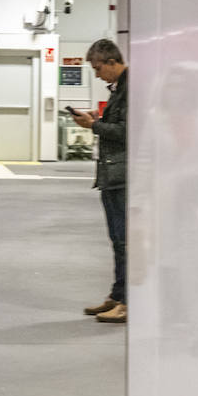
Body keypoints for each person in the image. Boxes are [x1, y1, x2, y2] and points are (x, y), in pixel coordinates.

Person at [69, 40, 128, 324]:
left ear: (111, 61)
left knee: (126, 241)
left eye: (98, 68)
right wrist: (99, 118)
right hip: (111, 175)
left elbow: (129, 131)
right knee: (117, 240)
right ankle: (117, 296)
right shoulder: (119, 90)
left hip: (122, 177)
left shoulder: (131, 89)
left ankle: (128, 301)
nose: (96, 74)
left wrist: (94, 125)